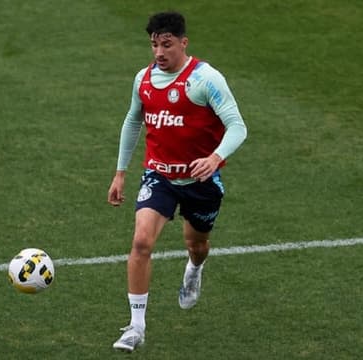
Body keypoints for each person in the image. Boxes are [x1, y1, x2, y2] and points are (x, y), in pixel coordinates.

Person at [107, 11, 247, 352]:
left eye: (166, 44)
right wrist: (121, 171)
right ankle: (136, 327)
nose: (159, 52)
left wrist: (214, 158)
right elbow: (132, 120)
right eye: (154, 45)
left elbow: (238, 126)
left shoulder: (205, 79)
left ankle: (194, 270)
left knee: (197, 246)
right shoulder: (143, 79)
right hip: (160, 176)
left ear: (183, 43)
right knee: (141, 242)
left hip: (201, 182)